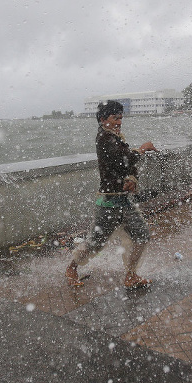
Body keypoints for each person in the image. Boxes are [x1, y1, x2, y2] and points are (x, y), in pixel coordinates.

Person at [65, 100, 158, 289]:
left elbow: (126, 165)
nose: (119, 122)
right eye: (115, 118)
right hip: (108, 203)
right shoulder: (104, 139)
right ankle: (72, 268)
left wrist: (132, 178)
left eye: (121, 118)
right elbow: (125, 159)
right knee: (95, 243)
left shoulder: (116, 137)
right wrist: (142, 148)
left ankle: (131, 275)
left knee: (142, 235)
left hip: (124, 201)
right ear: (102, 119)